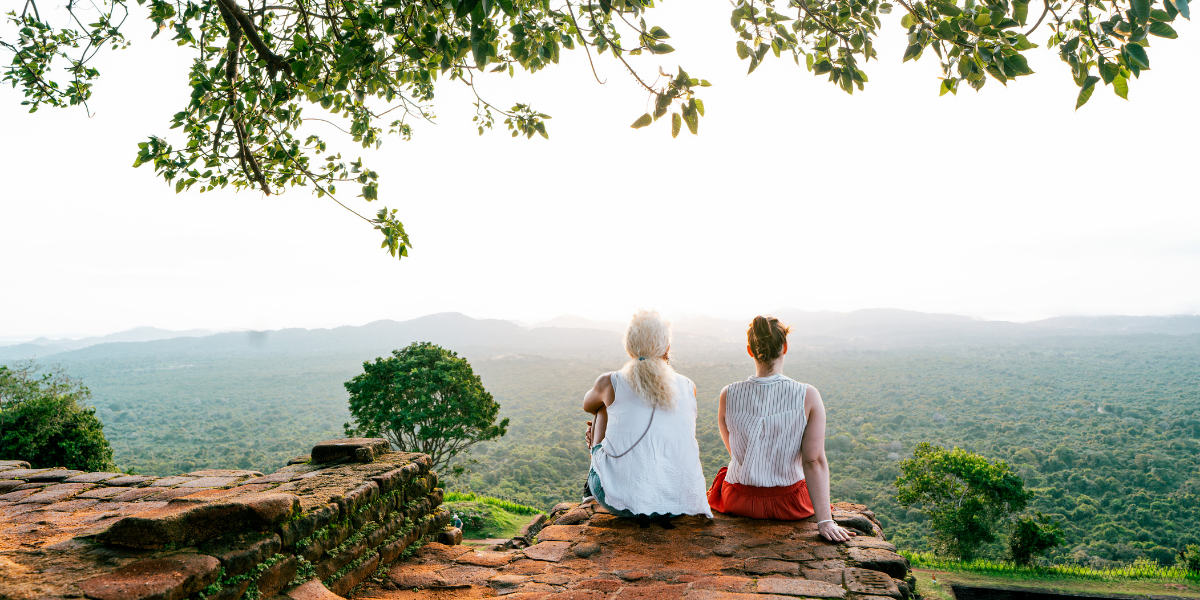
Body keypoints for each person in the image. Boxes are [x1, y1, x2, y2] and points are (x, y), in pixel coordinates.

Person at [707, 315, 857, 542]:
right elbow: (813, 461)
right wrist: (825, 520)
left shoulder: (727, 394)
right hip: (788, 505)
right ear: (784, 347)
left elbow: (736, 452)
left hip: (738, 500)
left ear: (750, 350)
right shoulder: (807, 395)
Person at [582, 309, 712, 527]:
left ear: (629, 346)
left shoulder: (610, 381)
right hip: (676, 504)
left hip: (619, 501)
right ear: (667, 348)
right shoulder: (689, 386)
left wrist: (598, 434)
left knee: (601, 408)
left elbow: (587, 405)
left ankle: (593, 481)